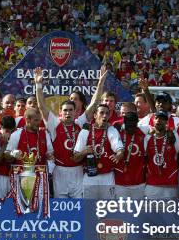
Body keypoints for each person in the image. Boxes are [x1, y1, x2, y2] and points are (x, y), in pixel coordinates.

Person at [35, 65, 107, 198]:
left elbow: (94, 103)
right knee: (61, 206)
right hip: (60, 171)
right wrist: (38, 85)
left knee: (78, 205)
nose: (68, 113)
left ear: (75, 112)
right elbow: (41, 106)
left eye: (71, 110)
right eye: (65, 110)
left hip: (78, 171)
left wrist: (100, 82)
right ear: (60, 113)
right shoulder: (54, 124)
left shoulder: (80, 123)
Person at [73, 104, 123, 199]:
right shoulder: (85, 131)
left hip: (107, 177)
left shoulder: (111, 130)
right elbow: (75, 158)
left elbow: (120, 150)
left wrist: (118, 155)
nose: (104, 115)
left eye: (107, 113)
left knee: (108, 208)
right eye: (102, 113)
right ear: (95, 115)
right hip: (90, 177)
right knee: (89, 208)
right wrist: (84, 152)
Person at [144, 110, 179, 199]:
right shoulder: (147, 138)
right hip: (152, 185)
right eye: (156, 118)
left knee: (169, 213)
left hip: (170, 185)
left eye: (162, 119)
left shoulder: (173, 137)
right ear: (153, 121)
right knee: (151, 212)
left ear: (166, 122)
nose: (158, 120)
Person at [113, 104, 146, 199]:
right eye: (128, 123)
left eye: (133, 124)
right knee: (122, 212)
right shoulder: (117, 132)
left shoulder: (143, 134)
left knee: (138, 212)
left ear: (137, 123)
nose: (131, 126)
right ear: (124, 122)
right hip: (120, 183)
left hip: (139, 183)